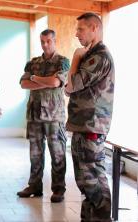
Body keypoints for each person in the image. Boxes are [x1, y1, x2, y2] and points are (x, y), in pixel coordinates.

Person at [65, 12, 114, 221]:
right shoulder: (90, 56)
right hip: (83, 127)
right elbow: (70, 90)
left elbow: (70, 85)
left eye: (81, 29)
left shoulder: (99, 56)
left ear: (94, 28)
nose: (77, 34)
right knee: (86, 183)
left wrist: (75, 57)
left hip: (91, 127)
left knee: (94, 182)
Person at [17, 29, 70, 203]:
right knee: (35, 154)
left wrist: (35, 79)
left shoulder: (63, 62)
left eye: (48, 41)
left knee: (58, 154)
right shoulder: (33, 63)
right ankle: (34, 186)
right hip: (35, 115)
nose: (45, 44)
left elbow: (57, 82)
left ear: (54, 41)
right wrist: (43, 80)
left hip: (54, 116)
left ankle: (58, 189)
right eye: (42, 41)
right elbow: (24, 84)